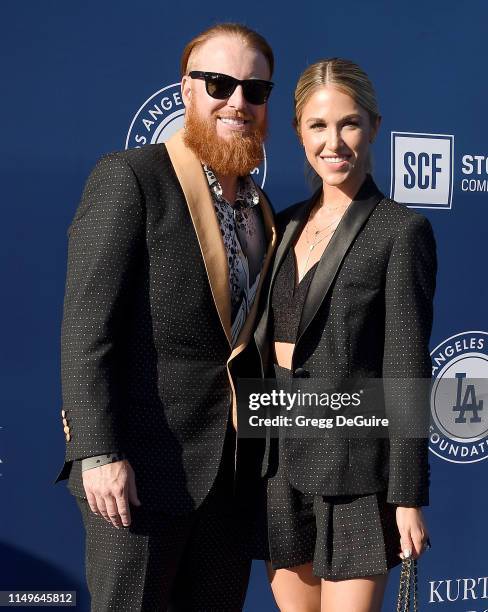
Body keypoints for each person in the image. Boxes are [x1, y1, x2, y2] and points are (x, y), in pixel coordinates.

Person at [55, 23, 276, 611]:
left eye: (255, 91)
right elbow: (85, 328)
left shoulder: (263, 210)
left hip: (229, 480)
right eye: (219, 83)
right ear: (186, 91)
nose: (238, 102)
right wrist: (98, 453)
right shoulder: (131, 177)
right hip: (138, 474)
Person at [252, 58, 436, 611]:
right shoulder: (281, 224)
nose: (334, 142)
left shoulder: (399, 231)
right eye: (318, 126)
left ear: (374, 127)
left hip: (357, 477)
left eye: (349, 124)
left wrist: (406, 499)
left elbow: (407, 370)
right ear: (297, 132)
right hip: (278, 465)